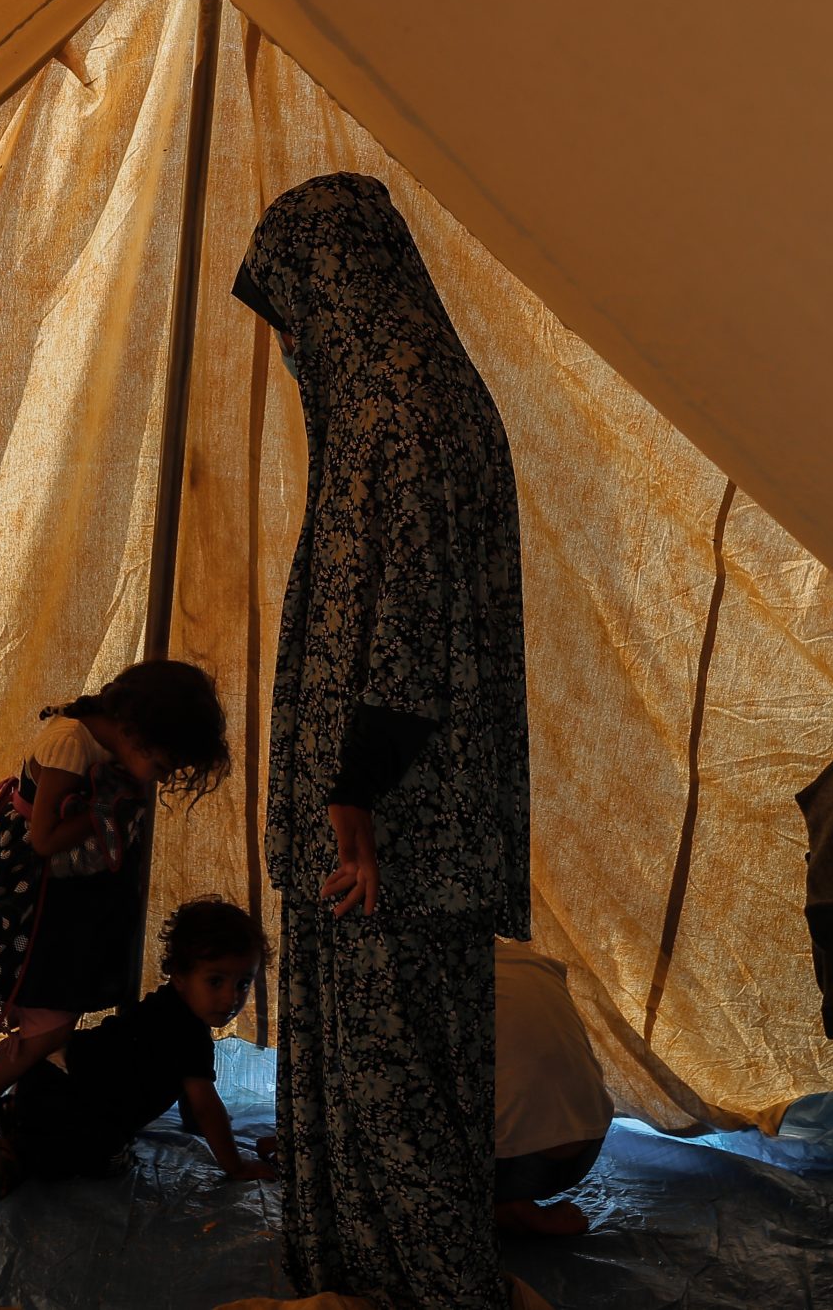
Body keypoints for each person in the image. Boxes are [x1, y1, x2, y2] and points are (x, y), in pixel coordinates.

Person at [233, 173, 530, 1309]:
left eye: (293, 313)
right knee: (420, 1071)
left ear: (332, 290)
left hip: (389, 835)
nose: (292, 345)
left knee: (387, 1077)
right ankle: (394, 1270)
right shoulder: (433, 391)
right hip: (417, 825)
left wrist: (352, 797)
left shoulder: (393, 413)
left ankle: (410, 1283)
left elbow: (405, 627)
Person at [0, 660, 229, 1154]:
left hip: (68, 897)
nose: (160, 779)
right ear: (135, 733)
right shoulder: (70, 743)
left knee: (58, 1007)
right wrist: (106, 811)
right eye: (162, 768)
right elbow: (45, 838)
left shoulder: (106, 746)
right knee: (50, 1019)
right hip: (30, 897)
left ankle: (14, 1104)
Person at [0, 896, 275, 1195]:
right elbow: (206, 1108)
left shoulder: (164, 1005)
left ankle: (16, 1118)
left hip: (46, 1077)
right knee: (102, 1157)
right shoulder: (188, 1035)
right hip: (75, 1109)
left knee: (57, 1120)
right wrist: (236, 1166)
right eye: (215, 982)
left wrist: (195, 1123)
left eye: (242, 984)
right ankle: (17, 1157)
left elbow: (191, 1093)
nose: (231, 998)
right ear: (180, 976)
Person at [492, 940, 613, 1236]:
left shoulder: (441, 975)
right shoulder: (533, 962)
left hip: (518, 1165)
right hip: (587, 1149)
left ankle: (506, 1210)